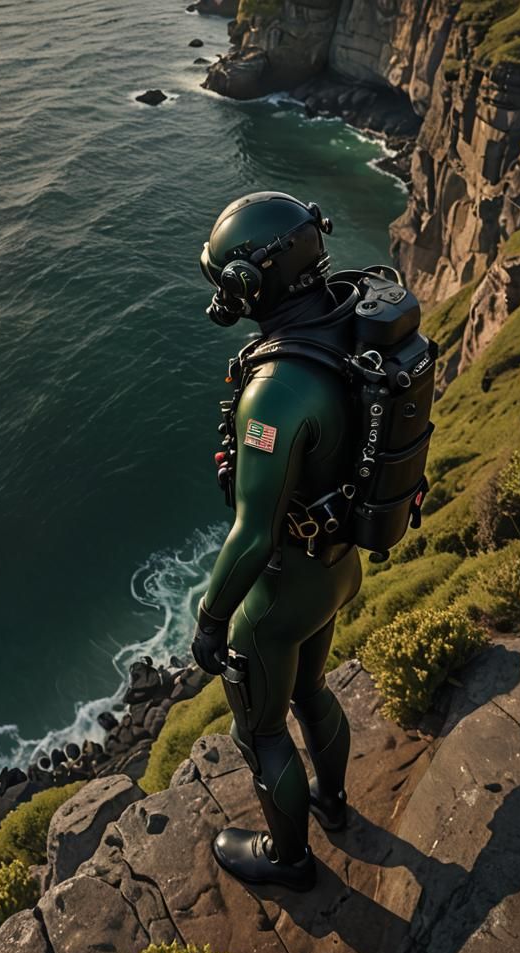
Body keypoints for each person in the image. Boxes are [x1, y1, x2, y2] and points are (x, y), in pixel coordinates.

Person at [190, 191, 364, 892]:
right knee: (312, 690)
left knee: (260, 731)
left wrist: (209, 620)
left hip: (283, 593)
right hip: (340, 568)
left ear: (248, 283)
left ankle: (289, 861)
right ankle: (333, 799)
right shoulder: (347, 324)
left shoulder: (276, 391)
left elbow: (253, 534)